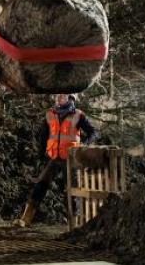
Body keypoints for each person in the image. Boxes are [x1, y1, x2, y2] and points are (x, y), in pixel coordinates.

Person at [15, 93, 97, 228]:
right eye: (57, 96)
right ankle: (25, 218)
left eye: (62, 96)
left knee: (71, 190)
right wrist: (41, 156)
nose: (58, 98)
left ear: (71, 98)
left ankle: (73, 224)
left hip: (71, 158)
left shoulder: (78, 114)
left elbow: (92, 132)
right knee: (40, 184)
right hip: (54, 157)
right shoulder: (50, 114)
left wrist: (83, 143)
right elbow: (44, 137)